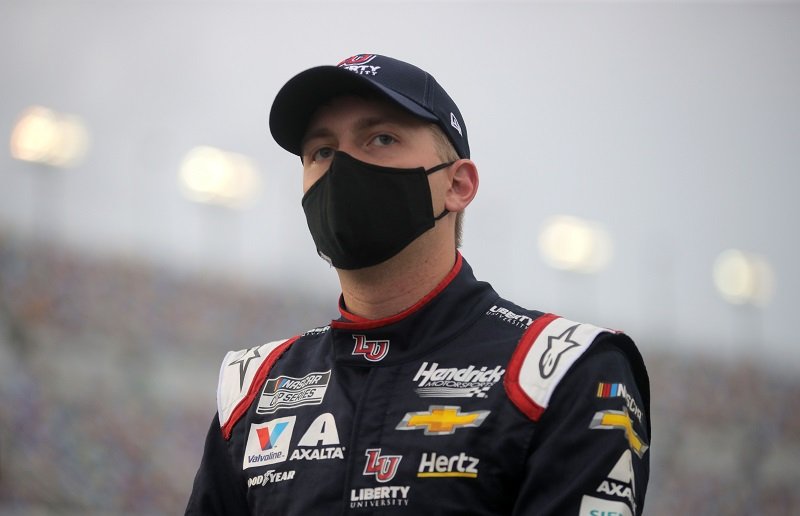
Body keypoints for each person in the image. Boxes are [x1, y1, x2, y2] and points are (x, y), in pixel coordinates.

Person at [186, 53, 650, 515]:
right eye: (322, 151)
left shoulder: (566, 369)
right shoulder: (255, 386)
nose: (342, 168)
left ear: (459, 185)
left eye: (381, 138)